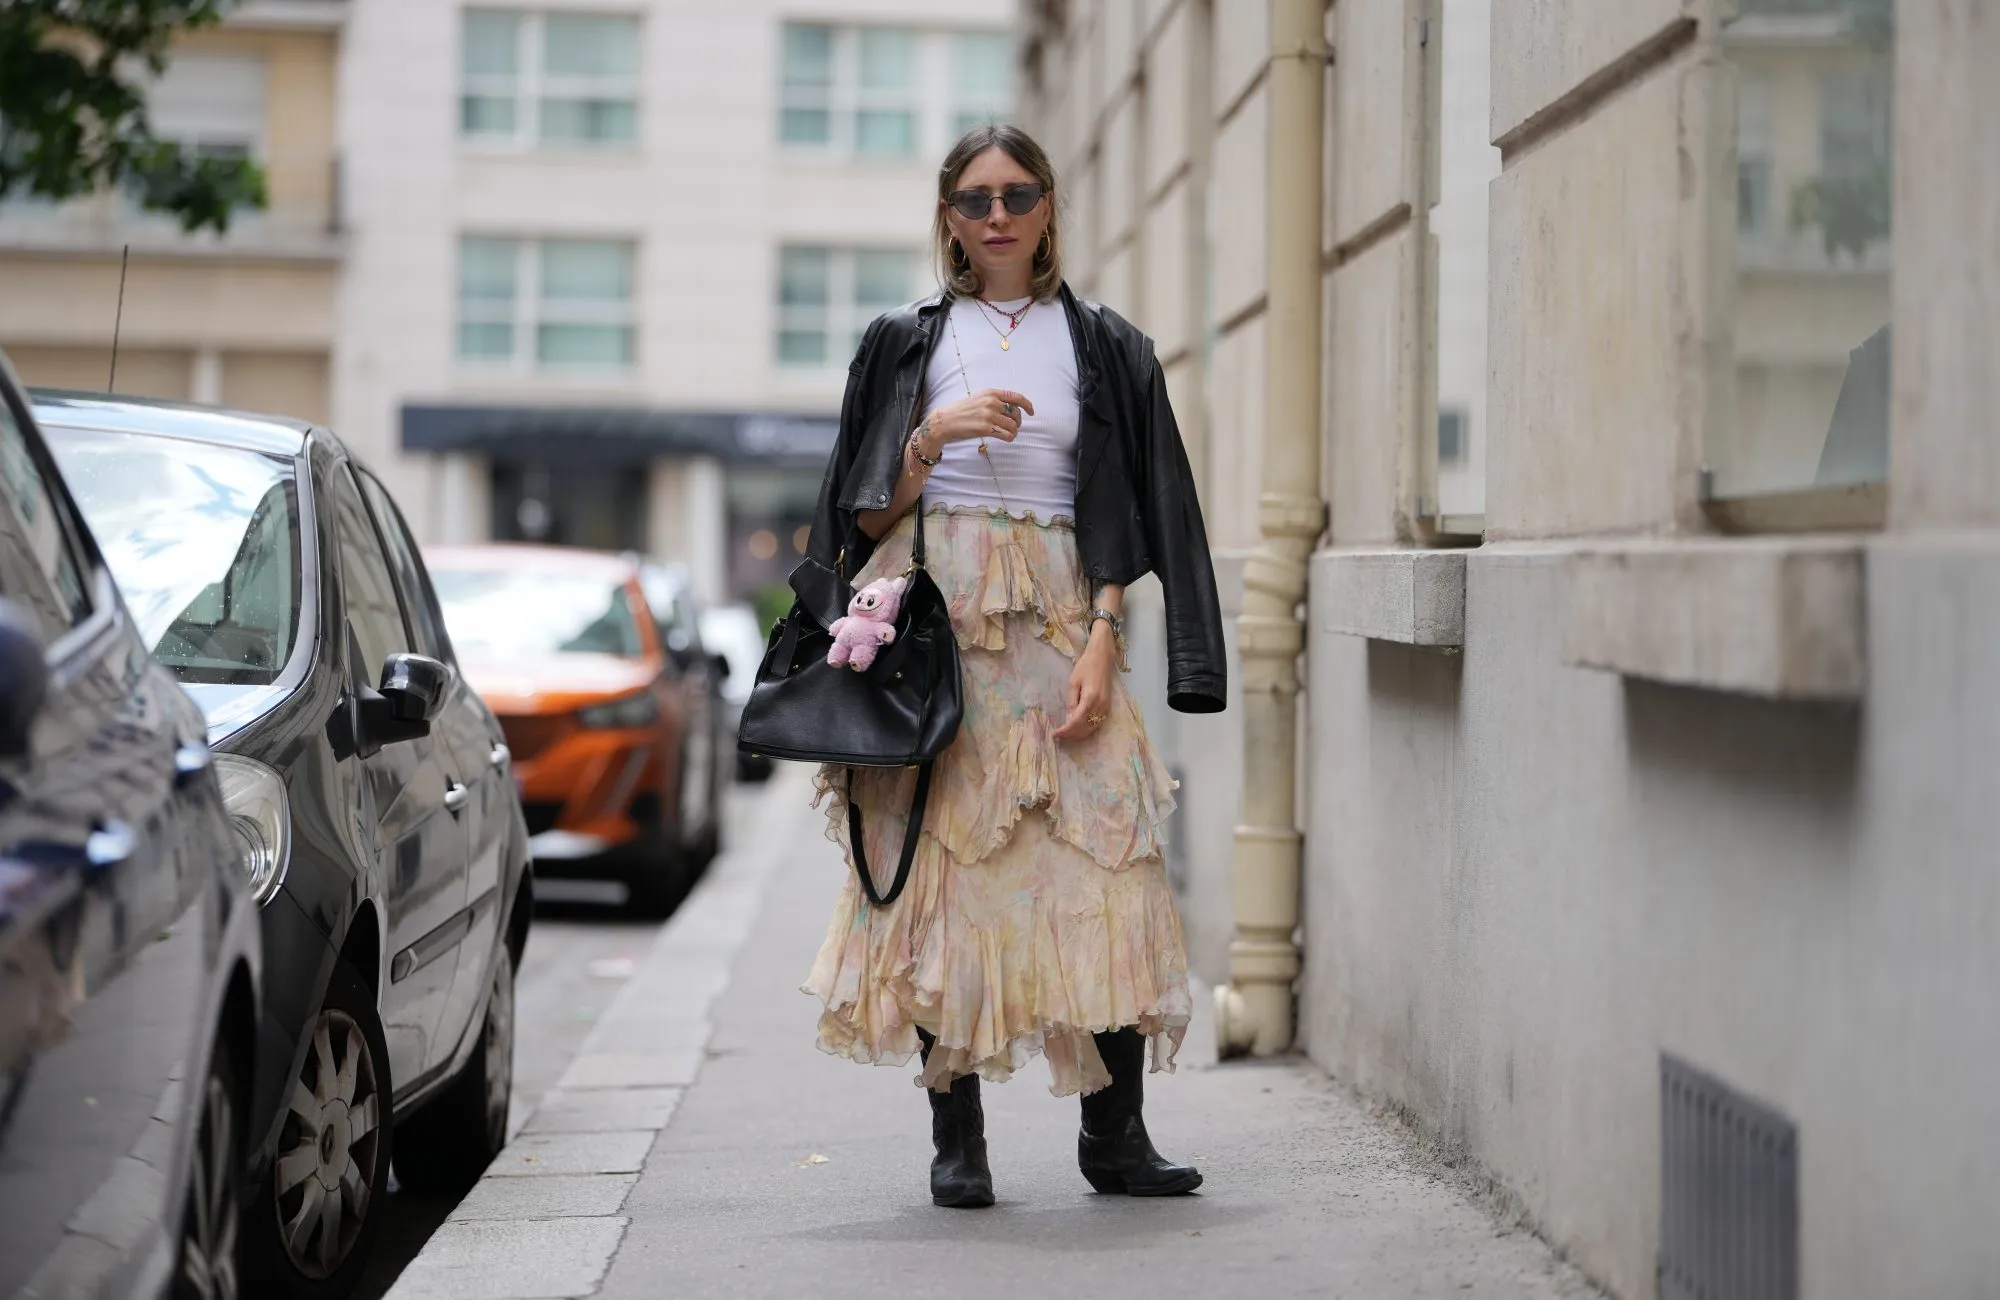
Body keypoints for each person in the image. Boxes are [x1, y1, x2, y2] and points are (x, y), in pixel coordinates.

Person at [801, 124, 1228, 1209]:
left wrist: (1104, 635)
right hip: (939, 632)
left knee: (1110, 856)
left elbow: (1134, 508)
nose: (998, 215)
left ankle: (1114, 1135)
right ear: (948, 217)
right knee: (944, 875)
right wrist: (929, 438)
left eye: (1018, 194)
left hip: (1062, 624)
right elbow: (856, 515)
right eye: (975, 198)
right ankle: (958, 1141)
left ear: (1047, 209)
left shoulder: (1105, 345)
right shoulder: (903, 341)